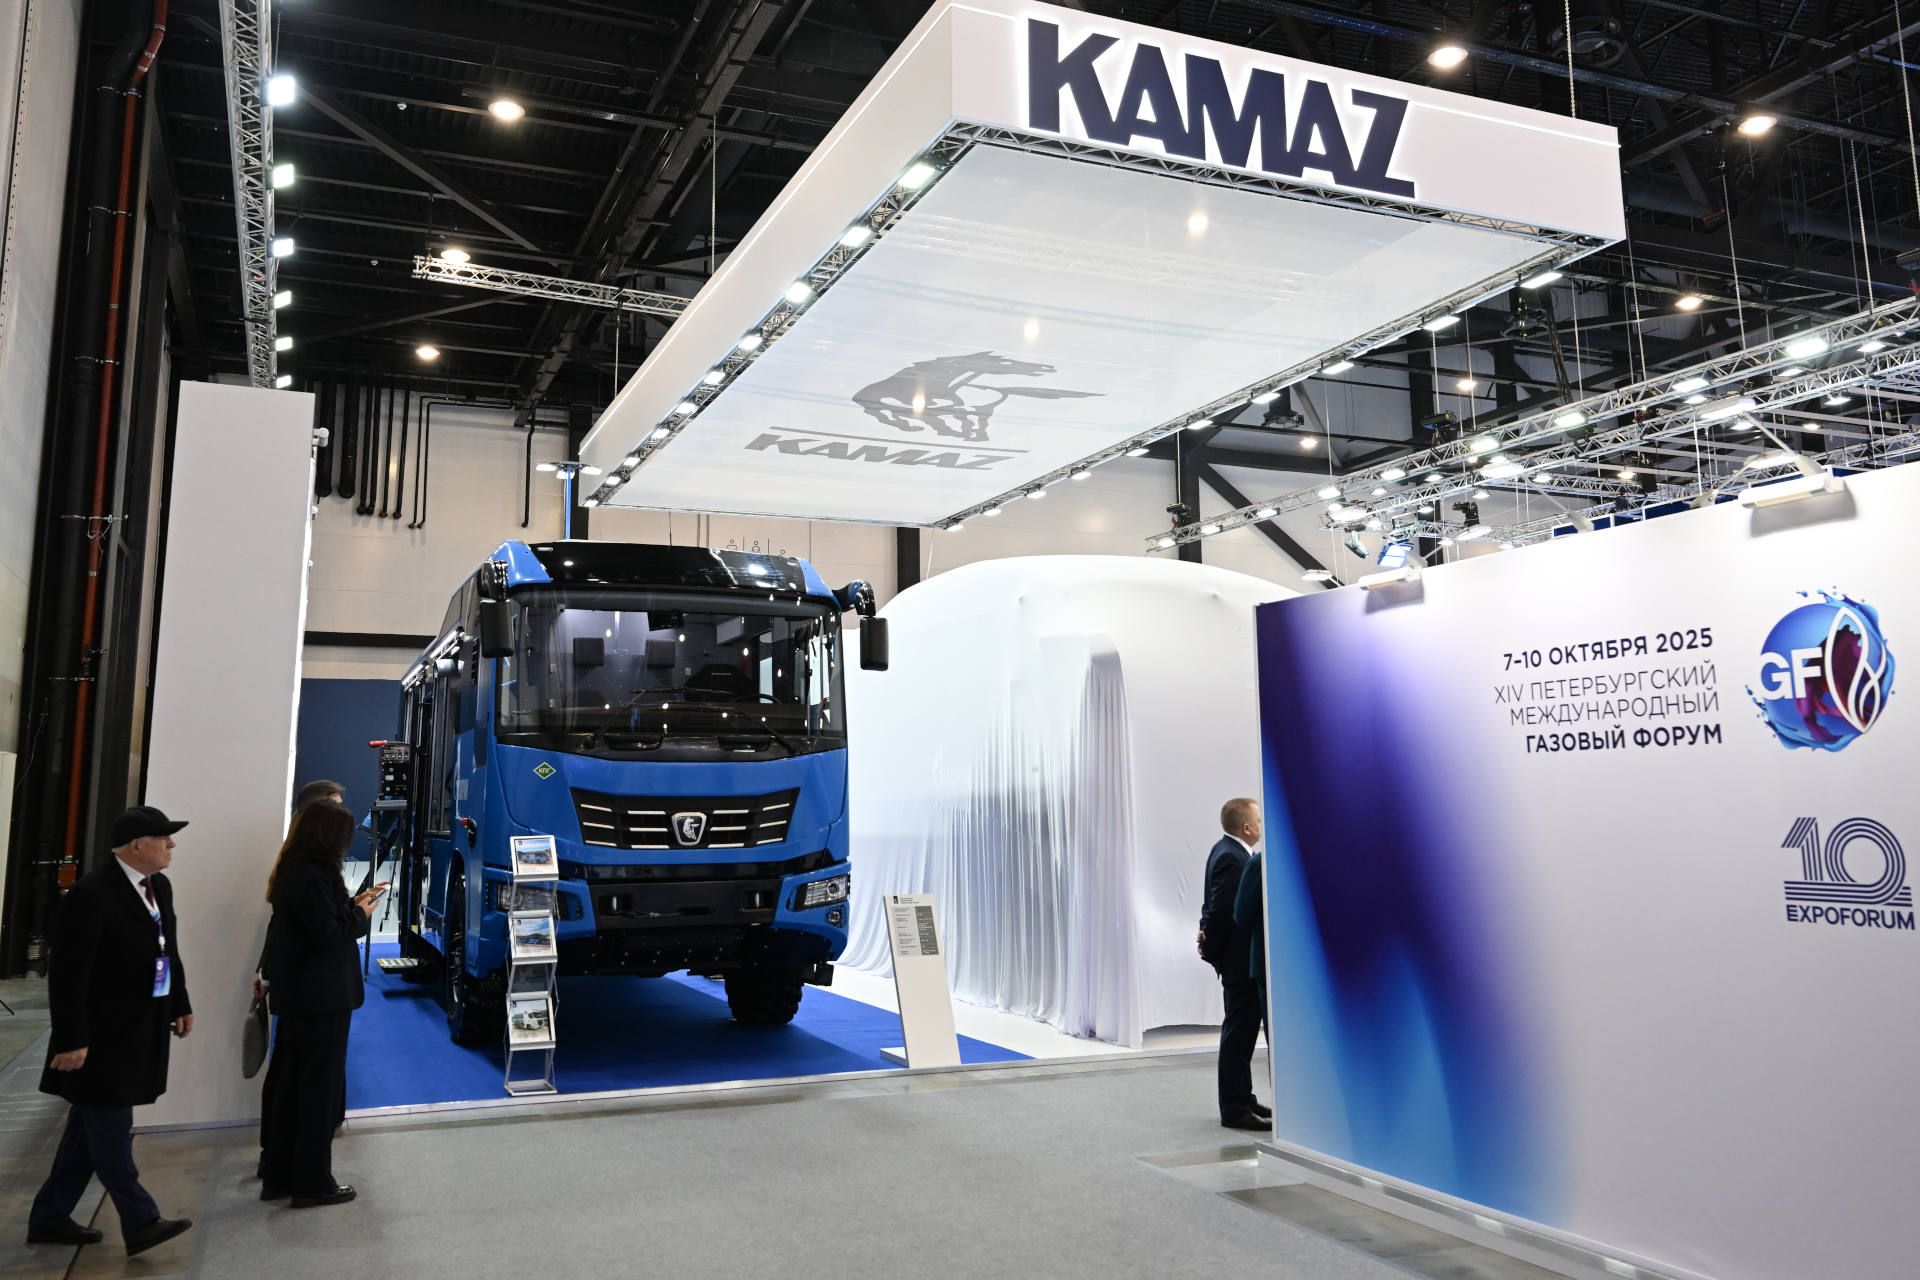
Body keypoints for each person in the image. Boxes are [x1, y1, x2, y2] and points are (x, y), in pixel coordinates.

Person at [27, 806, 195, 1256]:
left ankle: (49, 1217)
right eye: (164, 838)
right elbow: (69, 975)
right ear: (137, 845)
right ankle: (141, 1221)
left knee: (87, 1131)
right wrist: (72, 1039)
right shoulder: (92, 894)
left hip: (140, 1028)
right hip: (102, 1036)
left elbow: (168, 951)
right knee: (111, 1129)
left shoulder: (159, 887)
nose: (172, 845)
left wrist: (179, 1002)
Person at [258, 802, 383, 1208]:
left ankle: (279, 1174)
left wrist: (353, 905)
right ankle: (312, 1182)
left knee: (292, 1086)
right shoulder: (313, 876)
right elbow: (328, 935)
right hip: (322, 997)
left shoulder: (296, 871)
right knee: (317, 1091)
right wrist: (360, 915)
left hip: (301, 996)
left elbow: (316, 924)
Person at [1197, 798, 1269, 1132]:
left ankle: (1243, 1097)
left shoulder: (1224, 850)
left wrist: (1206, 937)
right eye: (1259, 819)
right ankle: (1235, 1107)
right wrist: (1210, 948)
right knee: (1239, 1035)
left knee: (1242, 1033)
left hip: (1238, 962)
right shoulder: (1234, 858)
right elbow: (1222, 911)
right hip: (1240, 964)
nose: (1262, 824)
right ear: (1247, 827)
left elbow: (1210, 906)